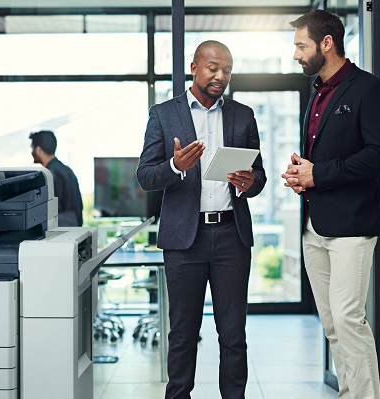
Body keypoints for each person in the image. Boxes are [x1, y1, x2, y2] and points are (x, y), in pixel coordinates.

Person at [136, 40, 266, 399]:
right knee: (182, 333)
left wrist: (249, 182)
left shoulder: (243, 115)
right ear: (194, 68)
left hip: (231, 236)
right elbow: (145, 176)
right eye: (213, 68)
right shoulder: (163, 114)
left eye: (227, 70)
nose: (220, 76)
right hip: (184, 240)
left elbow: (259, 176)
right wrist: (175, 165)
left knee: (233, 334)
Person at [281, 10, 380, 399]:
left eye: (301, 46)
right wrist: (302, 174)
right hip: (314, 225)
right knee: (332, 324)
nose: (296, 54)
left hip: (352, 225)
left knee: (349, 320)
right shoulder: (316, 92)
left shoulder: (371, 89)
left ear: (326, 43)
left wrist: (318, 174)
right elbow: (323, 158)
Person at [29, 130, 83, 227]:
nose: (31, 152)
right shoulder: (67, 170)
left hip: (62, 230)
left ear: (38, 150)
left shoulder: (50, 174)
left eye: (32, 148)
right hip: (74, 228)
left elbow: (53, 210)